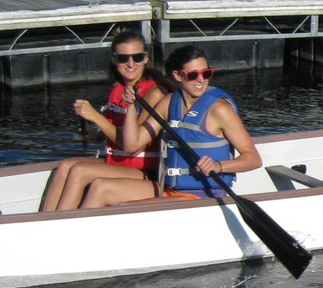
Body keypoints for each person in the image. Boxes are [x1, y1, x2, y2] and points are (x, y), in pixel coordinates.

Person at [81, 45, 262, 207]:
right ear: (177, 75)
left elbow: (253, 159)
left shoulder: (219, 110)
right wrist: (129, 106)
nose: (201, 80)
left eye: (206, 73)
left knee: (124, 209)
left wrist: (218, 166)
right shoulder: (169, 103)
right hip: (169, 189)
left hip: (201, 196)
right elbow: (132, 145)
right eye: (192, 75)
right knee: (100, 187)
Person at [41, 29, 167, 212]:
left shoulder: (152, 92)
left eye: (137, 57)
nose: (131, 64)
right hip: (117, 162)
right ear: (114, 59)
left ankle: (61, 228)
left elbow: (132, 144)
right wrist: (95, 134)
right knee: (65, 166)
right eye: (124, 58)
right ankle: (45, 223)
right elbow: (115, 132)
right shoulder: (119, 88)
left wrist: (95, 117)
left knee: (79, 171)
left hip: (144, 170)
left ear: (146, 59)